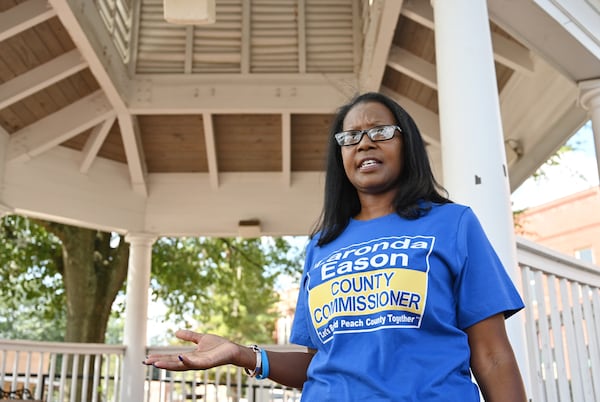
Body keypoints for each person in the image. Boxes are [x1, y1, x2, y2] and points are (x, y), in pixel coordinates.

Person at [143, 92, 527, 401]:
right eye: (350, 137)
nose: (363, 143)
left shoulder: (453, 224)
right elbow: (319, 364)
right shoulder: (322, 245)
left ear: (406, 143)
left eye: (379, 131)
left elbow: (492, 356)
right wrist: (243, 354)